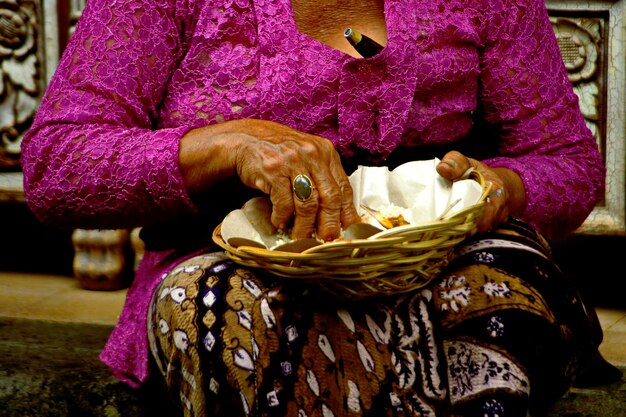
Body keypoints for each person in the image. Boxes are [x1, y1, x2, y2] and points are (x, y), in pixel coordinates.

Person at [20, 0, 621, 415]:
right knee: (231, 321)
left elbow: (566, 161)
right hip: (228, 260)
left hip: (441, 258)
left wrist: (496, 190)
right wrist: (224, 146)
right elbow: (55, 166)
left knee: (502, 295)